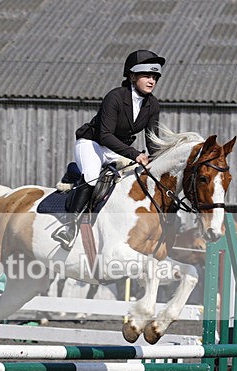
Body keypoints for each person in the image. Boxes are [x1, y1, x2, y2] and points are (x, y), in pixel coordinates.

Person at [53, 49, 165, 250]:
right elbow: (105, 135)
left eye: (155, 77)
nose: (151, 81)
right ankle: (69, 227)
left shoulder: (152, 104)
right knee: (93, 176)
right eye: (147, 76)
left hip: (117, 150)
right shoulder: (115, 97)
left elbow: (152, 139)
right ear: (132, 76)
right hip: (92, 144)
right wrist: (135, 154)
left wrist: (159, 160)